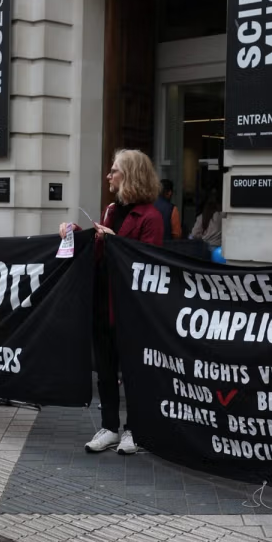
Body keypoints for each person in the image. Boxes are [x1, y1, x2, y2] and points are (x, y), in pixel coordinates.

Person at [60, 149, 164, 456]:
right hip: (102, 302)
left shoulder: (151, 217)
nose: (109, 176)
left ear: (130, 175)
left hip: (131, 308)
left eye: (115, 171)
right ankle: (109, 426)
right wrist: (75, 234)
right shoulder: (109, 210)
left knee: (131, 371)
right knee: (105, 370)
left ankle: (133, 429)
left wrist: (114, 240)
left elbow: (147, 263)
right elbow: (97, 252)